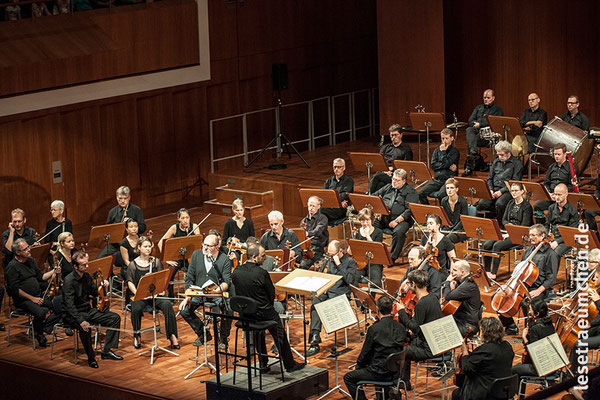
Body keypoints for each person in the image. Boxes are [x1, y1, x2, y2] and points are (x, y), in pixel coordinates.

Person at [231, 243, 305, 373]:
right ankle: (289, 364)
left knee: (258, 332)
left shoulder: (236, 272)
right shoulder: (262, 273)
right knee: (279, 332)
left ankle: (263, 364)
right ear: (254, 257)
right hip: (263, 313)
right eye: (263, 256)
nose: (265, 258)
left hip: (246, 315)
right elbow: (271, 294)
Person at [62, 251, 123, 368]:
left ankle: (106, 351)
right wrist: (80, 321)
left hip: (87, 310)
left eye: (87, 264)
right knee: (86, 327)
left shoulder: (86, 276)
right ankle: (91, 358)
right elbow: (69, 306)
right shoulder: (69, 281)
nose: (87, 266)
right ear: (75, 266)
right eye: (83, 265)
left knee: (114, 318)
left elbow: (94, 292)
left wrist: (102, 286)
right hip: (72, 315)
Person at [498, 224, 559, 335]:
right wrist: (508, 285)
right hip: (522, 285)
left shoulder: (551, 254)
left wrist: (539, 290)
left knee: (527, 304)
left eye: (534, 235)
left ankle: (530, 331)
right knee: (498, 298)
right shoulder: (528, 250)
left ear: (542, 236)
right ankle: (511, 326)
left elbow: (551, 278)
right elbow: (520, 270)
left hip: (538, 288)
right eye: (530, 235)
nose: (530, 238)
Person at [343, 296, 406, 400]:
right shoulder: (401, 327)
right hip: (395, 373)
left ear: (377, 309)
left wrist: (358, 366)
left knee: (348, 378)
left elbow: (365, 353)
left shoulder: (374, 329)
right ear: (392, 309)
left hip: (378, 373)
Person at [179, 234, 232, 350]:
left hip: (215, 293)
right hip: (199, 292)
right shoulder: (196, 255)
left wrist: (218, 289)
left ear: (217, 247)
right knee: (184, 310)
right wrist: (188, 296)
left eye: (209, 246)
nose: (205, 248)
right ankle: (203, 333)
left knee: (228, 309)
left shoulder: (224, 260)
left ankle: (223, 338)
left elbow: (226, 281)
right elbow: (189, 278)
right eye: (204, 244)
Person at [126, 236, 179, 350]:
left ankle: (172, 335)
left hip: (155, 295)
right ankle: (137, 335)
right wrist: (138, 293)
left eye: (149, 246)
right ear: (139, 247)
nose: (148, 249)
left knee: (167, 305)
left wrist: (163, 290)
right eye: (145, 246)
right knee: (136, 308)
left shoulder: (156, 262)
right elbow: (130, 282)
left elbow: (162, 278)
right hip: (140, 296)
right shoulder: (133, 264)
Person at [307, 240, 358, 356]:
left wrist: (339, 264)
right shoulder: (328, 261)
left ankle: (314, 339)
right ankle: (314, 339)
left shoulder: (351, 262)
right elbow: (321, 276)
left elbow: (349, 281)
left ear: (340, 251)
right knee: (315, 302)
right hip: (327, 293)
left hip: (340, 296)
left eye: (332, 254)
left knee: (322, 306)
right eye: (328, 254)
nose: (329, 257)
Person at [5, 238, 59, 347]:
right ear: (18, 252)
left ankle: (41, 328)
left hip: (37, 295)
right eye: (25, 249)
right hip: (23, 300)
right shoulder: (12, 267)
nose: (29, 250)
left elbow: (40, 277)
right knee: (41, 313)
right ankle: (39, 335)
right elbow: (14, 290)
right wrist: (32, 299)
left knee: (58, 307)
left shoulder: (30, 260)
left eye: (28, 247)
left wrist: (54, 271)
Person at [395, 269, 443, 386]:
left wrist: (401, 312)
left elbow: (416, 328)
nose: (407, 286)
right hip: (435, 341)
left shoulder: (421, 304)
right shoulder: (433, 298)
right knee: (404, 342)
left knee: (399, 351)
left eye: (408, 283)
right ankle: (404, 381)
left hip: (429, 348)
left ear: (414, 285)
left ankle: (400, 382)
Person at [451, 317, 514, 400]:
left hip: (486, 394)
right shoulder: (507, 346)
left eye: (480, 331)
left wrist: (465, 352)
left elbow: (467, 368)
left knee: (456, 393)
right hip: (503, 391)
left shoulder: (484, 350)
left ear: (485, 332)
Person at [483, 182, 533, 279]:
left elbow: (525, 225)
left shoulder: (527, 206)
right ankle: (487, 270)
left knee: (497, 245)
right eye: (512, 191)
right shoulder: (510, 203)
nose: (513, 193)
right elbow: (504, 220)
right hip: (507, 232)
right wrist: (508, 226)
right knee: (487, 244)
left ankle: (493, 273)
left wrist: (512, 230)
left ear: (522, 191)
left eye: (516, 191)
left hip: (519, 235)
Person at [373, 169, 419, 263]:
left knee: (399, 232)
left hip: (402, 220)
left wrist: (397, 221)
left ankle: (391, 258)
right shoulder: (388, 187)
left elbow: (409, 210)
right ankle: (374, 253)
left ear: (404, 181)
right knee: (371, 226)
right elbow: (374, 196)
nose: (394, 181)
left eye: (397, 180)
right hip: (384, 217)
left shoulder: (411, 192)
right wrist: (377, 210)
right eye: (393, 179)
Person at [157, 208, 201, 298]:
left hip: (190, 258)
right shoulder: (174, 228)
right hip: (177, 258)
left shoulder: (194, 227)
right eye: (183, 218)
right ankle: (171, 297)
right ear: (178, 219)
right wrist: (167, 259)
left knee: (197, 272)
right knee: (170, 273)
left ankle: (193, 295)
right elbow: (160, 243)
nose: (185, 220)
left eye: (187, 217)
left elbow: (198, 243)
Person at [569, 252, 600, 375]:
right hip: (597, 328)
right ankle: (575, 371)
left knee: (578, 344)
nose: (593, 279)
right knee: (576, 337)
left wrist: (598, 301)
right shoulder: (597, 291)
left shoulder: (597, 295)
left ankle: (574, 375)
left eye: (596, 277)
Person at [476, 140, 523, 221]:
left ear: (508, 153)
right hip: (494, 189)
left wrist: (501, 191)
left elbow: (515, 182)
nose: (500, 157)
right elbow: (490, 178)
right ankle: (489, 221)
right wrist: (490, 189)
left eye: (502, 155)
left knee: (500, 204)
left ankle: (500, 223)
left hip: (508, 190)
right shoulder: (496, 161)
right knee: (482, 203)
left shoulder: (517, 164)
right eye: (498, 155)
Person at [512, 297, 555, 382]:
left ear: (537, 314)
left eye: (530, 310)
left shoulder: (535, 328)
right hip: (553, 365)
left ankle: (515, 394)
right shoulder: (550, 324)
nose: (528, 312)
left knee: (514, 369)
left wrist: (524, 337)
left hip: (541, 368)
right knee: (520, 366)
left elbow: (534, 353)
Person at [534, 143, 577, 223]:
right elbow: (546, 183)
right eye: (555, 154)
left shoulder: (571, 168)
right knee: (538, 206)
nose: (556, 156)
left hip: (564, 197)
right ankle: (541, 228)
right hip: (552, 196)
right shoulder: (551, 167)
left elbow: (571, 186)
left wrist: (560, 195)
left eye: (559, 154)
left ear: (565, 154)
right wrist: (550, 193)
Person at [99, 186, 146, 258]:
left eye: (125, 198)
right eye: (120, 198)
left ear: (129, 197)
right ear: (116, 198)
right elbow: (108, 230)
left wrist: (132, 227)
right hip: (116, 243)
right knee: (101, 259)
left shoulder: (136, 210)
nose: (123, 201)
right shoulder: (112, 212)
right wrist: (119, 226)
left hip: (132, 242)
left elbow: (143, 227)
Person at [368, 124, 413, 194]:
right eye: (391, 135)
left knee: (376, 177)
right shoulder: (385, 147)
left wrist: (392, 171)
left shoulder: (406, 149)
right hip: (383, 172)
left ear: (401, 135)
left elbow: (406, 165)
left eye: (395, 135)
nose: (393, 137)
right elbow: (379, 161)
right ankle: (374, 199)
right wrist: (385, 170)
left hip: (395, 175)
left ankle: (368, 195)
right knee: (380, 184)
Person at [419, 128, 460, 204]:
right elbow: (433, 165)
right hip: (437, 179)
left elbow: (447, 162)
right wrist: (447, 166)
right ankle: (428, 211)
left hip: (448, 180)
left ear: (452, 138)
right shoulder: (437, 150)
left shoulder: (455, 152)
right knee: (420, 193)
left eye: (446, 138)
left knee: (441, 195)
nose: (444, 141)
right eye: (442, 138)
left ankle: (444, 213)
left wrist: (443, 152)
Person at [442, 260, 481, 337]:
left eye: (455, 270)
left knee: (440, 332)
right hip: (460, 320)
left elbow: (448, 296)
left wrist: (447, 282)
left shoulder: (468, 285)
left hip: (468, 325)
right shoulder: (462, 282)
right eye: (452, 269)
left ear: (463, 272)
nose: (451, 272)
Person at [465, 89, 504, 157]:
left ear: (493, 98)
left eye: (488, 98)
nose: (486, 99)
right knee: (469, 130)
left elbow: (495, 122)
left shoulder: (498, 109)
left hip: (489, 136)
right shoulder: (478, 107)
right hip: (477, 134)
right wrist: (475, 124)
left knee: (471, 140)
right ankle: (473, 153)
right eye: (484, 98)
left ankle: (472, 157)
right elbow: (470, 120)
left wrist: (480, 124)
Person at [351, 207, 384, 287]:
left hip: (374, 263)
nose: (365, 223)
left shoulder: (378, 232)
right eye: (362, 220)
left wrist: (368, 236)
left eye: (367, 220)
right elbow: (350, 252)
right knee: (351, 279)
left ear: (372, 220)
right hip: (359, 263)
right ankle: (358, 299)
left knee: (376, 283)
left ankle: (370, 299)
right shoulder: (357, 232)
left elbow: (376, 250)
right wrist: (352, 240)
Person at [546, 183, 579, 258]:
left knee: (554, 253)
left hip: (566, 240)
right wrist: (546, 238)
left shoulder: (573, 211)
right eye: (555, 194)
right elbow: (547, 224)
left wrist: (557, 242)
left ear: (566, 194)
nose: (556, 197)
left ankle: (552, 270)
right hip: (552, 237)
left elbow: (571, 232)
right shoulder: (551, 208)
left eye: (559, 195)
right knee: (540, 250)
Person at [299, 196, 329, 270]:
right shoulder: (304, 221)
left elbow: (317, 231)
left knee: (303, 264)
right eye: (310, 205)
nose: (311, 208)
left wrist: (307, 234)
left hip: (317, 247)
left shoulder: (323, 218)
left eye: (313, 206)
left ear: (318, 206)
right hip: (305, 247)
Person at [321, 158, 354, 223]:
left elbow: (345, 195)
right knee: (317, 210)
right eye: (335, 167)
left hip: (341, 209)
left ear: (344, 168)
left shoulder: (349, 181)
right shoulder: (329, 181)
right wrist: (338, 202)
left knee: (320, 211)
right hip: (330, 206)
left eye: (339, 167)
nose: (336, 169)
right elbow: (324, 195)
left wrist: (335, 202)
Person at [441, 178, 469, 244]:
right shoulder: (444, 201)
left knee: (448, 239)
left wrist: (453, 230)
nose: (449, 190)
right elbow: (443, 217)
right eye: (447, 188)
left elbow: (463, 220)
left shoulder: (463, 201)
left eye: (452, 188)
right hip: (447, 228)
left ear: (457, 189)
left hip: (460, 230)